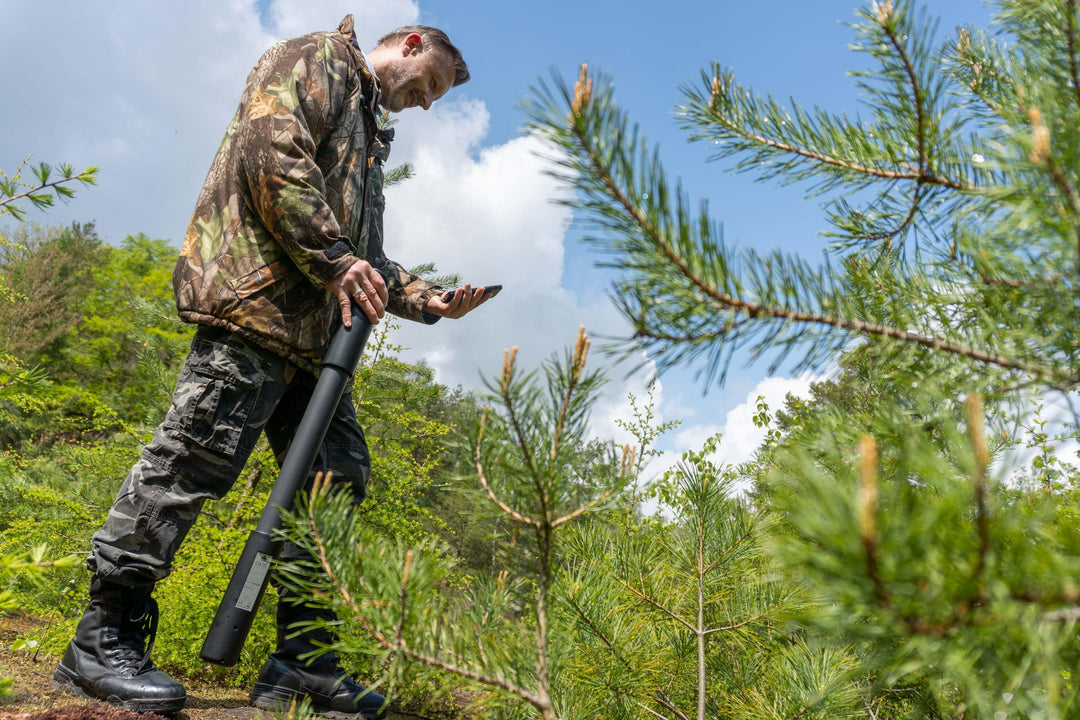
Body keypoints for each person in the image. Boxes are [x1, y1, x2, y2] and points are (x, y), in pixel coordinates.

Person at [51, 15, 487, 720]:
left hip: (317, 341)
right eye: (431, 84)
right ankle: (101, 639)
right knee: (188, 465)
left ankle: (302, 661)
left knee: (335, 483)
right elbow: (271, 158)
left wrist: (427, 298)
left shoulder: (367, 127)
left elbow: (361, 251)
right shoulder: (314, 59)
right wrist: (337, 259)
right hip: (255, 312)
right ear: (411, 45)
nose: (428, 103)